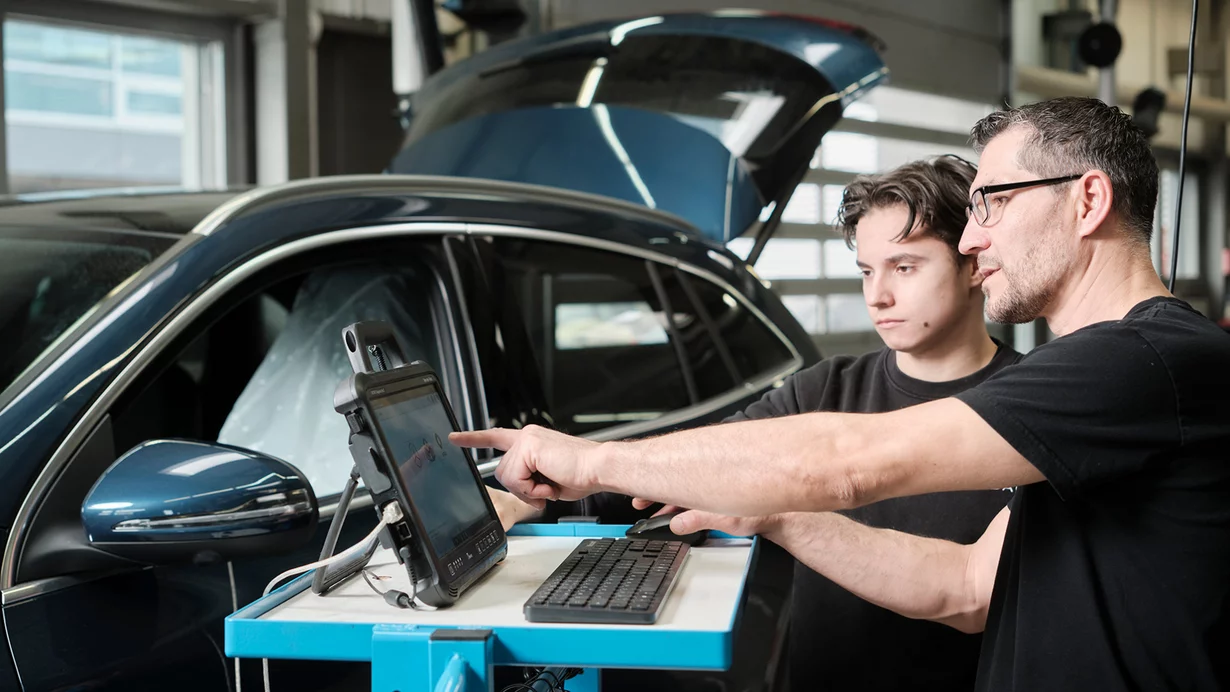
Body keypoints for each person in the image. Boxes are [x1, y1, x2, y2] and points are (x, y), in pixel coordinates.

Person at [462, 96, 1230, 691]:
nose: (972, 236)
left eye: (995, 202)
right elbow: (963, 586)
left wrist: (590, 459)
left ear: (1087, 201)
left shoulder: (1148, 359)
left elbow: (846, 461)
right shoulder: (1097, 382)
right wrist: (780, 514)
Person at [493, 154, 1021, 690]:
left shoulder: (1031, 409)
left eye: (904, 267)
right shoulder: (823, 390)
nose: (876, 295)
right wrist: (537, 499)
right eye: (866, 270)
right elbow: (693, 468)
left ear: (974, 261)